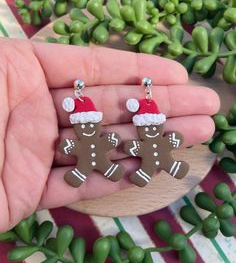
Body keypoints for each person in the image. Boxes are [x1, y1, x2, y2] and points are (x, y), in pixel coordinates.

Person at [0, 38, 220, 232]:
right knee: (88, 168)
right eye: (84, 125)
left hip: (145, 156)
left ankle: (163, 168)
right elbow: (82, 146)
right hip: (86, 162)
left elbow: (149, 142)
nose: (86, 129)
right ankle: (107, 172)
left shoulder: (156, 137)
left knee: (153, 162)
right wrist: (70, 147)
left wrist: (131, 143)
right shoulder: (85, 139)